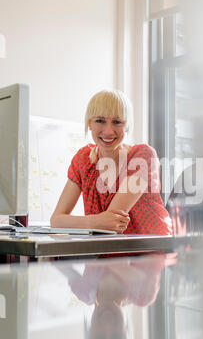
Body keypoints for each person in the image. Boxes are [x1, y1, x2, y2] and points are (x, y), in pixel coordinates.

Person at [50, 90, 172, 235]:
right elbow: (56, 221)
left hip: (151, 252)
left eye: (117, 122)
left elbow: (112, 222)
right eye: (100, 121)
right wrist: (97, 222)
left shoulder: (142, 156)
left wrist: (78, 222)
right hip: (108, 254)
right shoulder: (83, 160)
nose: (108, 131)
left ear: (126, 125)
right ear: (89, 123)